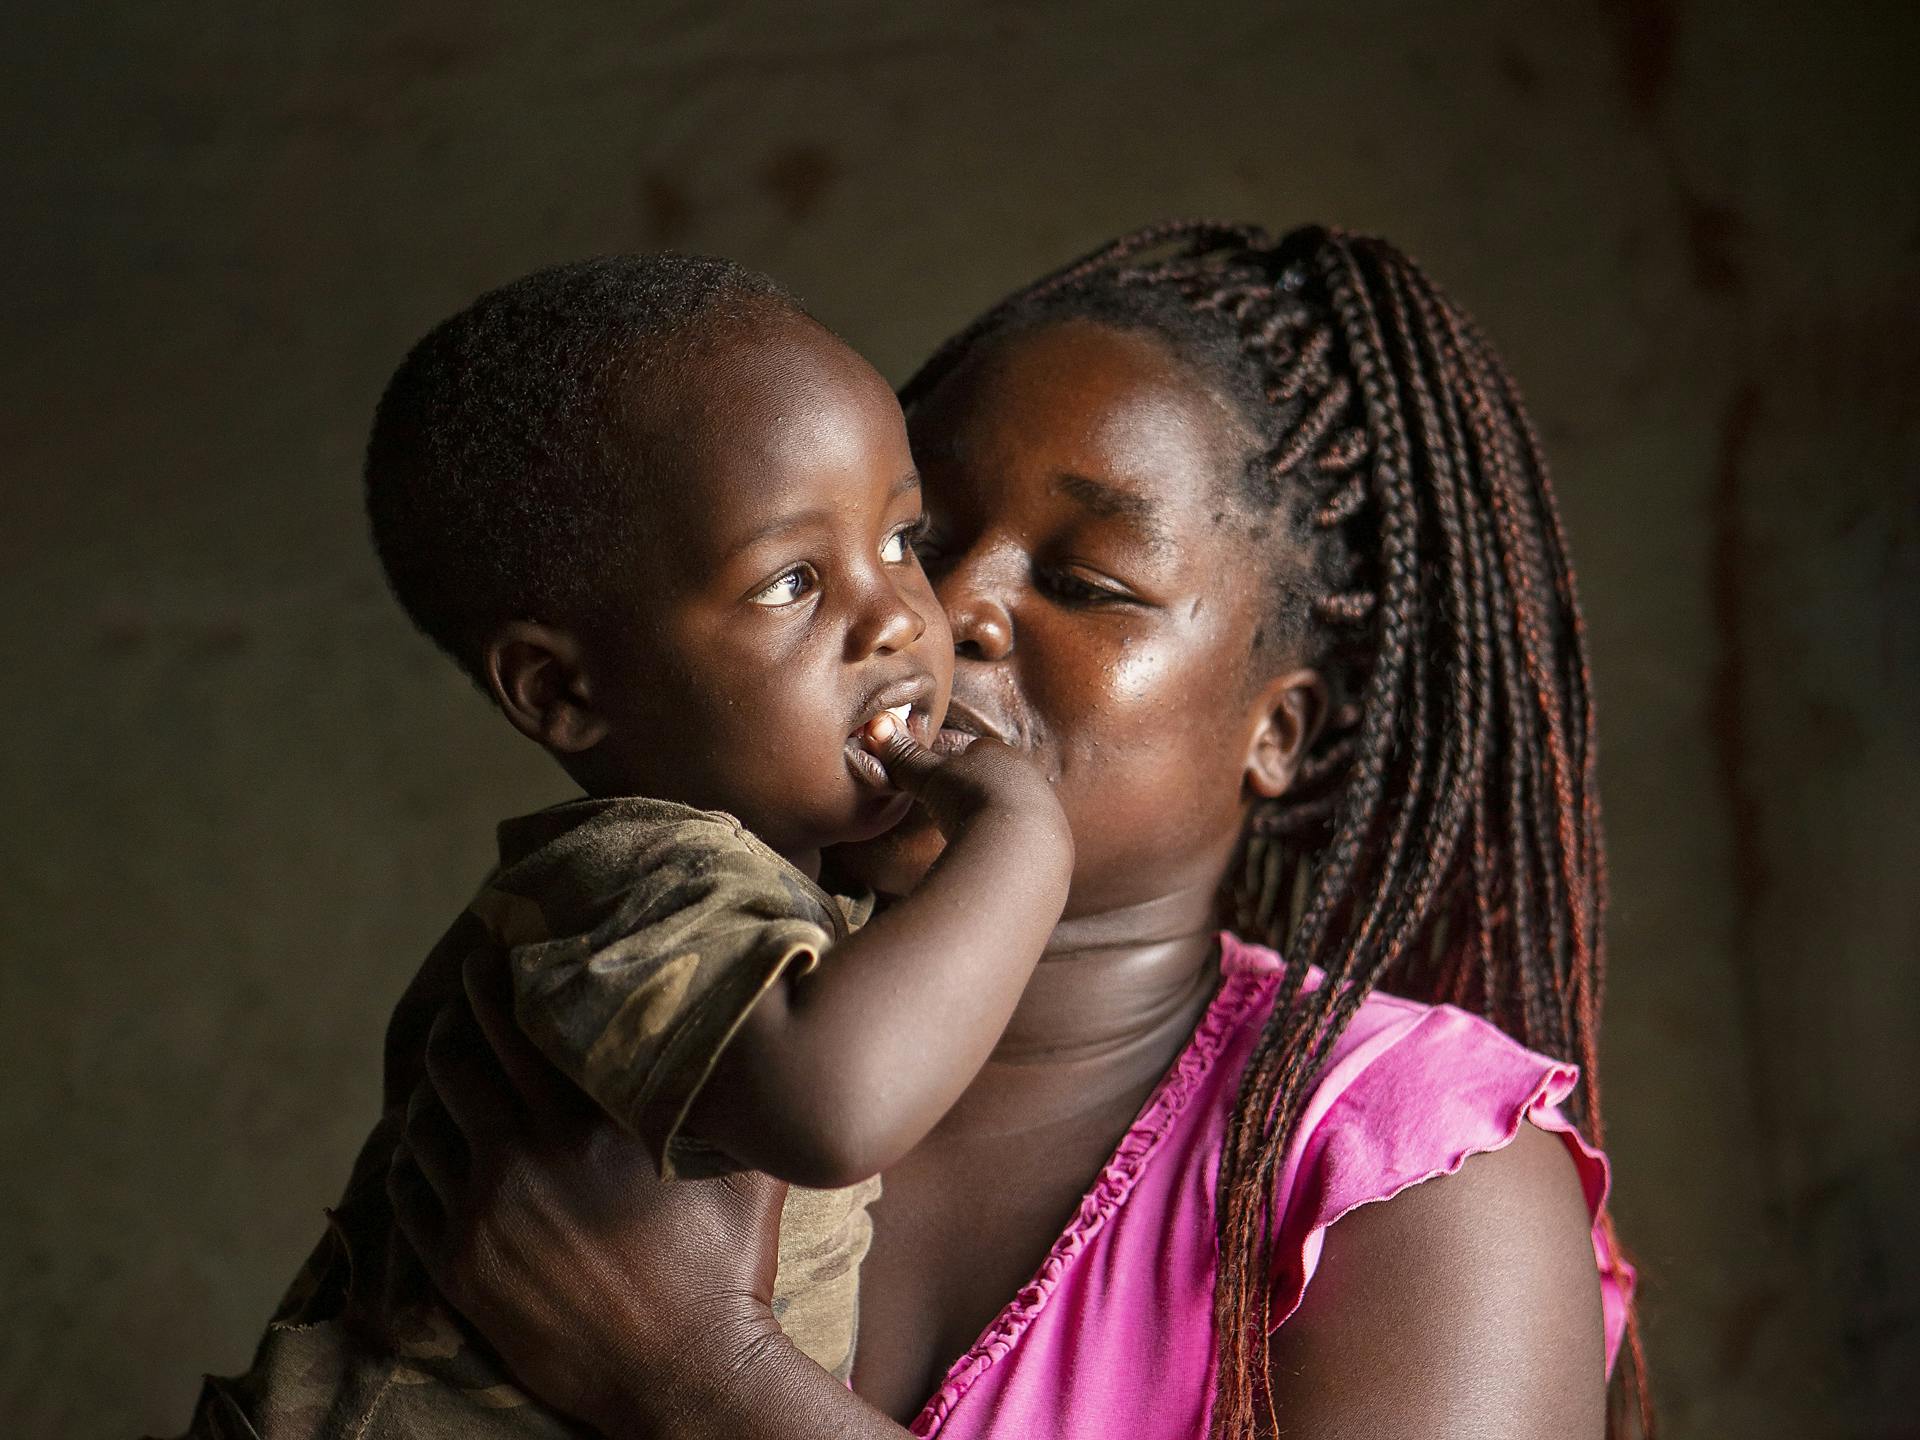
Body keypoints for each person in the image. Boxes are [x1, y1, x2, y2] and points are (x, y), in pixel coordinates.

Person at [386, 223, 1650, 1440]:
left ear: (1284, 733)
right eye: (920, 536)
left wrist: (703, 1384)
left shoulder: (1415, 1174)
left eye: (1085, 584)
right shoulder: (666, 991)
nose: (943, 610)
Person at [176, 256, 1073, 1437]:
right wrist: (1021, 836)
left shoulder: (773, 897)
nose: (903, 616)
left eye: (902, 537)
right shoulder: (640, 880)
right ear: (562, 692)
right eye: (793, 581)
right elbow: (839, 1104)